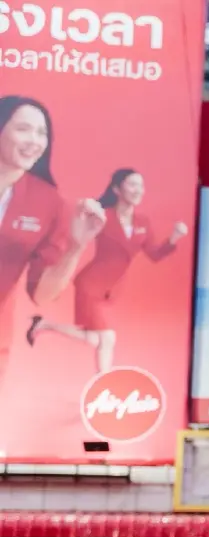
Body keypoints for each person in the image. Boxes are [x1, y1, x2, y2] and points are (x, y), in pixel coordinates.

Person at [28, 168, 187, 374]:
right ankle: (104, 386)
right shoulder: (103, 216)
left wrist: (174, 237)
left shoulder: (143, 223)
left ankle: (44, 325)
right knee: (108, 338)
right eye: (132, 185)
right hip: (90, 284)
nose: (138, 190)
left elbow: (155, 255)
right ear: (117, 190)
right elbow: (77, 223)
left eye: (141, 185)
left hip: (112, 289)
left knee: (96, 339)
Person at [0, 95, 105, 387]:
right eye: (23, 129)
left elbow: (42, 294)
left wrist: (76, 246)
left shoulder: (48, 203)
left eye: (42, 133)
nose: (34, 140)